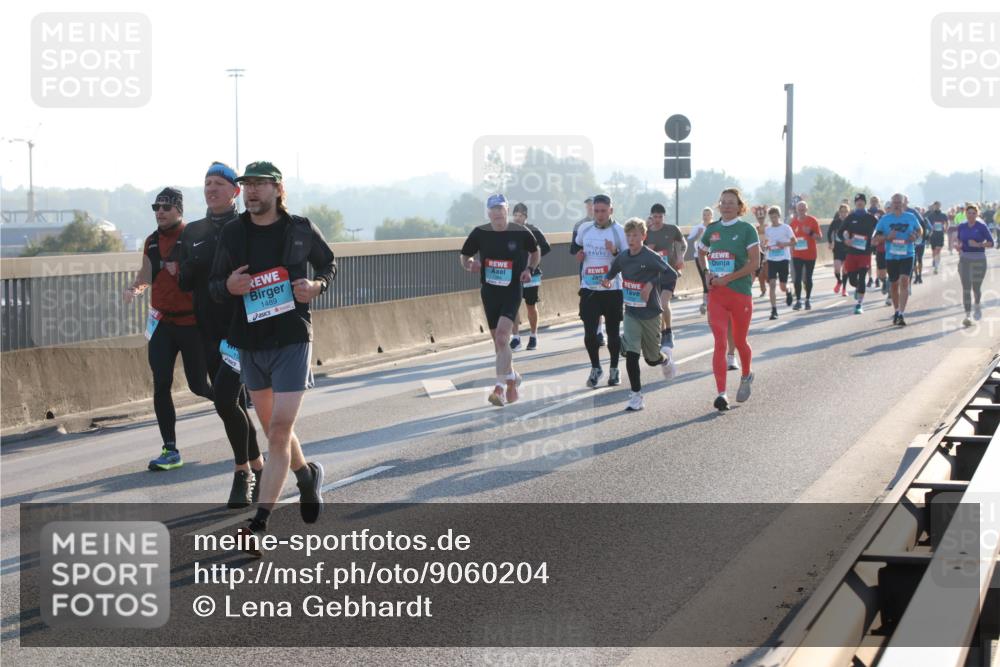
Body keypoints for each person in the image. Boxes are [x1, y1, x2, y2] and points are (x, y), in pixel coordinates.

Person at [209, 161, 335, 550]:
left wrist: (316, 286)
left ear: (278, 190)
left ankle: (259, 523)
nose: (251, 191)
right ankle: (306, 476)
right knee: (274, 431)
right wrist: (229, 286)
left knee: (279, 431)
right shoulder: (233, 233)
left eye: (260, 184)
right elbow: (214, 285)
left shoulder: (300, 228)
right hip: (250, 344)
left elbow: (328, 264)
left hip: (292, 339)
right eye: (247, 185)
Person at [178, 162, 264, 508]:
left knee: (226, 400)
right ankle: (259, 466)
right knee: (230, 405)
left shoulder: (246, 227)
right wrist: (190, 265)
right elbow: (183, 281)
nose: (211, 189)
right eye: (207, 184)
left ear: (235, 191)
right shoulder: (192, 231)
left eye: (218, 183)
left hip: (240, 328)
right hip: (207, 329)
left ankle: (242, 473)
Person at [125, 188, 213, 471]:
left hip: (192, 324)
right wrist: (135, 289)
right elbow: (146, 274)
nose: (160, 212)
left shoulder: (193, 237)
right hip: (162, 323)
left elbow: (207, 274)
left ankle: (233, 399)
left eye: (165, 207)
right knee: (161, 384)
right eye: (156, 207)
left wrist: (183, 271)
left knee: (199, 386)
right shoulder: (151, 242)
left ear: (179, 210)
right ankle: (170, 450)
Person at [460, 194, 539, 405]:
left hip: (512, 291)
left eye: (500, 209)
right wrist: (469, 265)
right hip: (490, 292)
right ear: (488, 212)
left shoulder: (520, 231)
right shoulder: (480, 233)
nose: (497, 213)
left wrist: (529, 269)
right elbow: (464, 256)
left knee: (503, 337)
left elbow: (535, 252)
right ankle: (512, 378)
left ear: (507, 210)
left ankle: (500, 388)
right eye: (493, 209)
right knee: (499, 343)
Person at [602, 217, 677, 411]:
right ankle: (636, 396)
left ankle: (665, 359)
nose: (631, 239)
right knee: (632, 355)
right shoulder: (623, 256)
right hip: (631, 312)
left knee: (651, 359)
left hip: (651, 314)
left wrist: (651, 284)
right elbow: (614, 269)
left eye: (635, 235)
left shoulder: (650, 256)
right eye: (628, 235)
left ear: (643, 236)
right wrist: (607, 279)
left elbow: (671, 274)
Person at [700, 188, 759, 411]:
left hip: (740, 293)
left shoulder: (747, 229)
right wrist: (707, 273)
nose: (726, 206)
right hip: (717, 295)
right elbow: (701, 253)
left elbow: (754, 263)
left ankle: (746, 375)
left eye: (731, 202)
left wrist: (729, 278)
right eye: (723, 202)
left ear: (739, 206)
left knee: (740, 341)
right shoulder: (712, 229)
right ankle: (721, 394)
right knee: (720, 343)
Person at [575, 194, 627, 388]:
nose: (599, 215)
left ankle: (614, 368)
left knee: (613, 334)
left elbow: (627, 260)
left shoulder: (619, 231)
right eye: (596, 211)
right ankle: (596, 367)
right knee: (590, 334)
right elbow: (576, 246)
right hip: (589, 288)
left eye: (603, 211)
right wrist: (579, 255)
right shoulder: (585, 228)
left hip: (612, 289)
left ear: (611, 210)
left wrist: (614, 252)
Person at [872, 193, 922, 326]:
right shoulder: (884, 219)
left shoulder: (911, 217)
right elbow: (875, 239)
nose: (897, 205)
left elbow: (920, 230)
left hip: (907, 254)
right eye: (895, 202)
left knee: (904, 281)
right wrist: (887, 237)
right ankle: (896, 310)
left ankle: (901, 313)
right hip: (891, 256)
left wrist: (915, 236)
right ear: (891, 203)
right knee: (894, 285)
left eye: (899, 202)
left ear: (904, 203)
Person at [643, 202, 687, 350]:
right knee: (657, 306)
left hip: (670, 272)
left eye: (660, 217)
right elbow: (641, 252)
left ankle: (668, 332)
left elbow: (682, 244)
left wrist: (680, 256)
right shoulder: (646, 233)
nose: (657, 220)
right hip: (654, 275)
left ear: (664, 216)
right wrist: (649, 249)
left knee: (663, 303)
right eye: (655, 217)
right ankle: (662, 334)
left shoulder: (672, 229)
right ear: (651, 216)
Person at [509, 202, 550, 351]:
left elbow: (546, 247)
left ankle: (533, 336)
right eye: (515, 215)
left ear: (525, 216)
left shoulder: (533, 230)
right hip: (513, 274)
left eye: (520, 215)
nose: (517, 218)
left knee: (530, 306)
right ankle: (516, 338)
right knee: (512, 306)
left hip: (531, 273)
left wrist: (533, 257)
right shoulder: (509, 231)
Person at [570, 197, 605, 346]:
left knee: (603, 298)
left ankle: (600, 331)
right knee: (590, 300)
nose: (591, 209)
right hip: (587, 269)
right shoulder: (580, 225)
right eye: (589, 206)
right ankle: (594, 332)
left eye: (593, 206)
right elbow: (573, 248)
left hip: (604, 268)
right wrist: (580, 253)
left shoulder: (607, 224)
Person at [954, 203, 994, 326]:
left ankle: (977, 304)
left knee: (976, 287)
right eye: (969, 213)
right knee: (966, 288)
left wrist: (978, 245)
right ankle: (967, 315)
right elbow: (959, 239)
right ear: (965, 214)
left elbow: (991, 243)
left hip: (979, 259)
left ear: (977, 214)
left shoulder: (981, 226)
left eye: (973, 213)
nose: (971, 215)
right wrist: (959, 247)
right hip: (965, 259)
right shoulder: (962, 226)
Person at [755, 205, 795, 320]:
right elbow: (766, 242)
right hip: (771, 259)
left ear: (779, 216)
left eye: (775, 217)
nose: (773, 219)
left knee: (782, 286)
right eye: (771, 217)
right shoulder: (768, 229)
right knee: (772, 284)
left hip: (783, 259)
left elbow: (794, 242)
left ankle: (788, 290)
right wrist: (765, 246)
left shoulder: (786, 228)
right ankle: (774, 310)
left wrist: (783, 244)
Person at [841, 194, 879, 314]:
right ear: (855, 203)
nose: (859, 202)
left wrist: (876, 239)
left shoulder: (871, 218)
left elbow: (880, 230)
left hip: (865, 253)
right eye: (857, 201)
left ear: (865, 203)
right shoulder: (850, 217)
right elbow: (840, 232)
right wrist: (846, 240)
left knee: (862, 277)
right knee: (852, 280)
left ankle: (859, 304)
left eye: (862, 200)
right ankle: (858, 288)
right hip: (851, 253)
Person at [789, 200, 822, 310]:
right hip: (797, 254)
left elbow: (819, 237)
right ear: (796, 210)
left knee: (808, 277)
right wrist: (791, 248)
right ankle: (798, 301)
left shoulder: (813, 221)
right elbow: (790, 239)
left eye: (803, 209)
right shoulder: (793, 223)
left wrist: (810, 233)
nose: (801, 211)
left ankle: (807, 299)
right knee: (797, 277)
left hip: (810, 254)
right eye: (799, 209)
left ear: (806, 209)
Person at [688, 207, 713, 315]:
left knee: (714, 278)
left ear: (711, 216)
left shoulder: (714, 226)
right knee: (705, 278)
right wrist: (698, 235)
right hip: (699, 255)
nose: (706, 216)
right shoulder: (698, 227)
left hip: (713, 256)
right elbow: (689, 240)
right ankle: (705, 303)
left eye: (708, 214)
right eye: (704, 214)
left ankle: (712, 302)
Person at [828, 203, 851, 295]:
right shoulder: (835, 222)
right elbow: (829, 232)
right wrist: (830, 242)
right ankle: (839, 281)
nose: (843, 214)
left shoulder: (850, 222)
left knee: (845, 270)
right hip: (837, 248)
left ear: (848, 212)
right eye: (842, 212)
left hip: (847, 248)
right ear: (839, 212)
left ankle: (844, 289)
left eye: (845, 212)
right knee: (836, 269)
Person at [926, 201, 949, 274]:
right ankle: (934, 259)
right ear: (934, 206)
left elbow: (947, 222)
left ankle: (936, 267)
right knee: (933, 251)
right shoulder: (930, 215)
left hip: (940, 234)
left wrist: (946, 229)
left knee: (938, 250)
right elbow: (927, 224)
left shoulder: (943, 215)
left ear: (940, 206)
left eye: (938, 205)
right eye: (935, 206)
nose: (936, 207)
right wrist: (930, 229)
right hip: (933, 235)